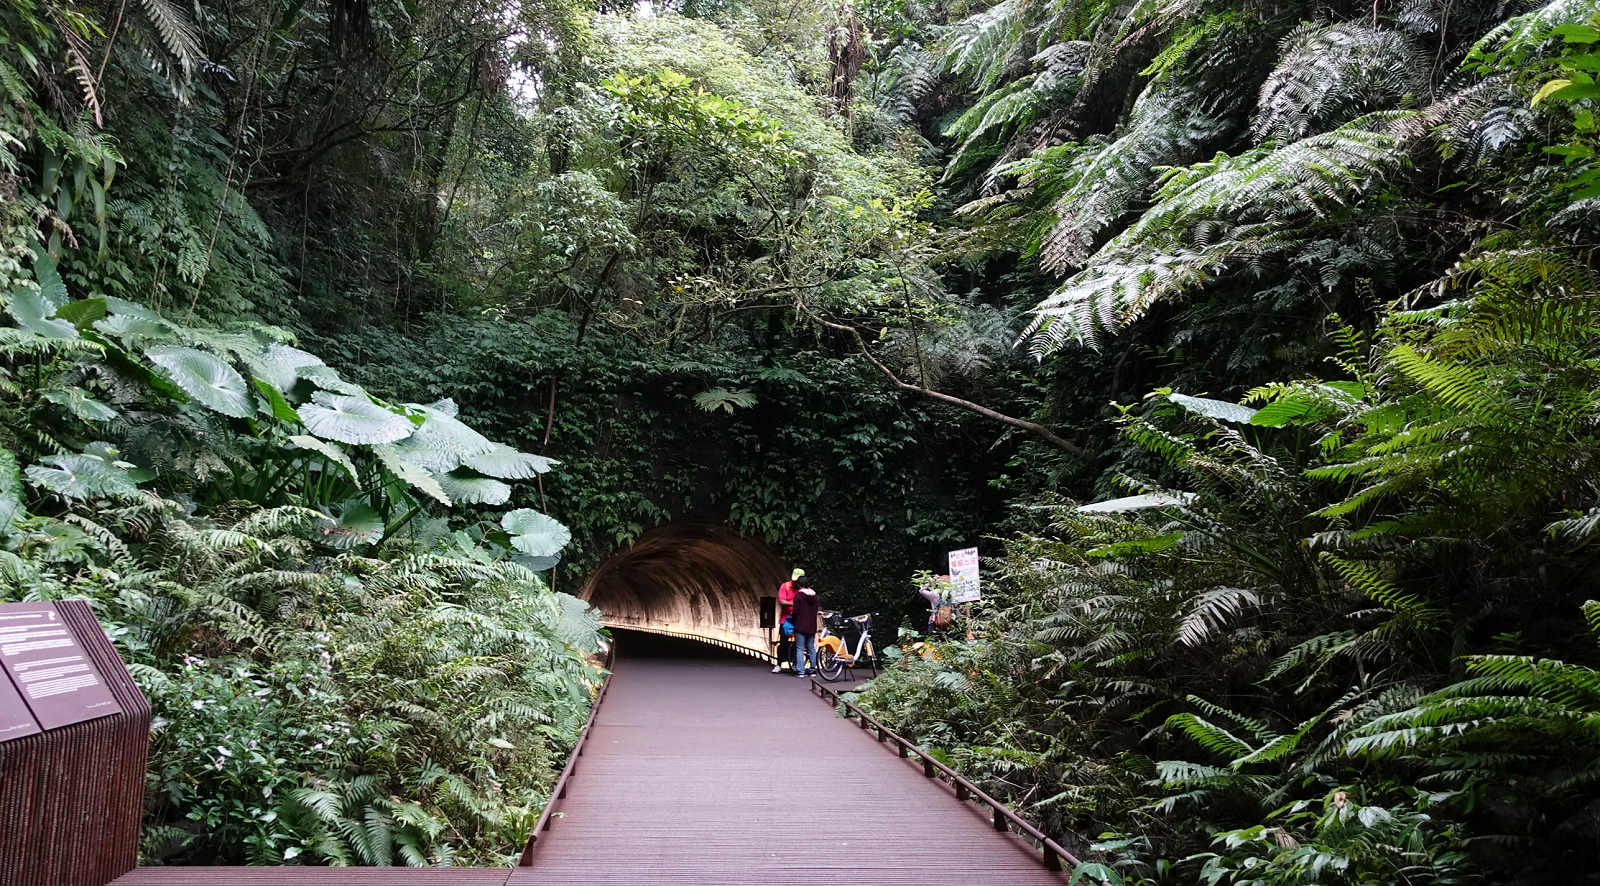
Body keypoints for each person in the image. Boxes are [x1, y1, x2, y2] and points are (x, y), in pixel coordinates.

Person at [772, 568, 803, 673]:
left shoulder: (804, 588)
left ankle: (795, 664)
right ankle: (779, 664)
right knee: (783, 641)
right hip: (786, 619)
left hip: (799, 618)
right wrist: (795, 604)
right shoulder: (785, 586)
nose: (795, 583)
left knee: (798, 642)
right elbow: (782, 601)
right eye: (794, 580)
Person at [790, 575, 820, 677]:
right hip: (811, 626)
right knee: (811, 648)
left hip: (800, 625)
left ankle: (801, 671)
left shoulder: (798, 596)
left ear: (798, 584)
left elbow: (795, 611)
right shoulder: (815, 596)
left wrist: (792, 619)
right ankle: (813, 670)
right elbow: (815, 610)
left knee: (800, 648)